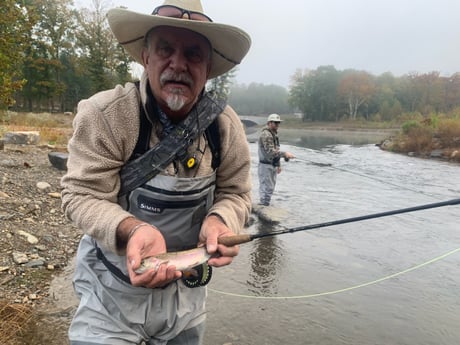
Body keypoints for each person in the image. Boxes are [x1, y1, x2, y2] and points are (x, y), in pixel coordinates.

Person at [60, 0, 252, 344]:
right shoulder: (105, 114)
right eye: (166, 48)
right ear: (145, 57)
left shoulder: (226, 127)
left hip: (185, 299)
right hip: (111, 294)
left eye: (193, 54)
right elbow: (81, 195)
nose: (178, 64)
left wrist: (222, 220)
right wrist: (131, 230)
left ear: (207, 68)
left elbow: (236, 193)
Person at [257, 113, 295, 206]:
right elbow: (270, 152)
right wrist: (285, 154)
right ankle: (263, 206)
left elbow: (276, 150)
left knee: (270, 188)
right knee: (266, 188)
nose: (277, 125)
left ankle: (265, 204)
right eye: (275, 123)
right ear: (269, 123)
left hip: (272, 165)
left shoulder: (274, 135)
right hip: (265, 165)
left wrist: (278, 165)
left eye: (278, 123)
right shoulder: (266, 135)